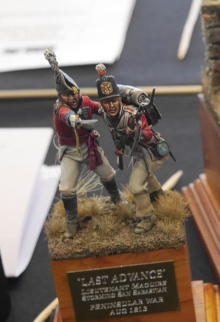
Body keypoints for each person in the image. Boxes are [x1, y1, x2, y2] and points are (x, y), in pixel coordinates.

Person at [45, 50, 122, 238]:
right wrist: (73, 119)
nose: (72, 97)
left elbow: (97, 107)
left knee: (108, 173)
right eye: (67, 95)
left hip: (90, 146)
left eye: (74, 93)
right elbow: (66, 115)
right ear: (60, 96)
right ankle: (72, 221)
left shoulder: (85, 101)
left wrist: (107, 110)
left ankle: (117, 200)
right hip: (71, 152)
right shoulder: (59, 109)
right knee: (67, 188)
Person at [96, 66, 170, 234]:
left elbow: (149, 135)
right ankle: (158, 195)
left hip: (150, 152)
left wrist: (136, 132)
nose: (111, 106)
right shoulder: (105, 115)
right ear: (102, 104)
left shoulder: (132, 114)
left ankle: (147, 217)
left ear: (119, 99)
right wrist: (119, 147)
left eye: (114, 100)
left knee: (136, 186)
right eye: (107, 102)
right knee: (145, 175)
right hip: (136, 152)